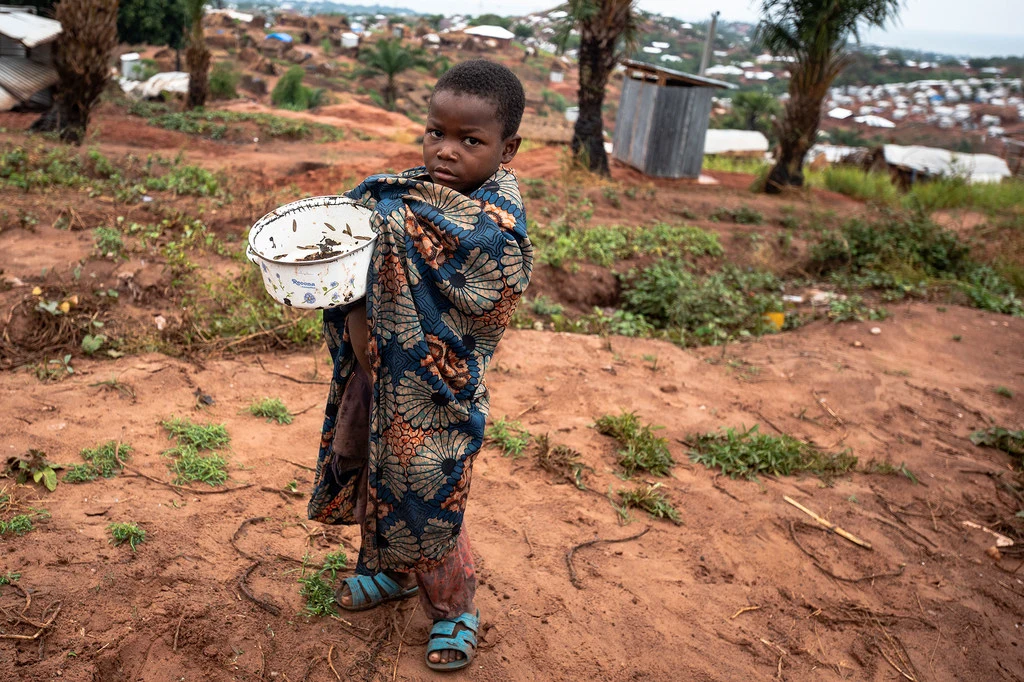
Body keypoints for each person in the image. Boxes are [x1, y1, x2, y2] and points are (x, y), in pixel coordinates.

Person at [307, 59, 531, 672]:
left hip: (430, 392)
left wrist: (386, 235)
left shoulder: (493, 226)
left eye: (470, 140)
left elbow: (491, 287)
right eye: (437, 132)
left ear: (507, 148)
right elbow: (356, 243)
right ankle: (394, 574)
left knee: (428, 497)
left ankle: (455, 609)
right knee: (375, 476)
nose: (446, 150)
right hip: (373, 374)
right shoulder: (398, 197)